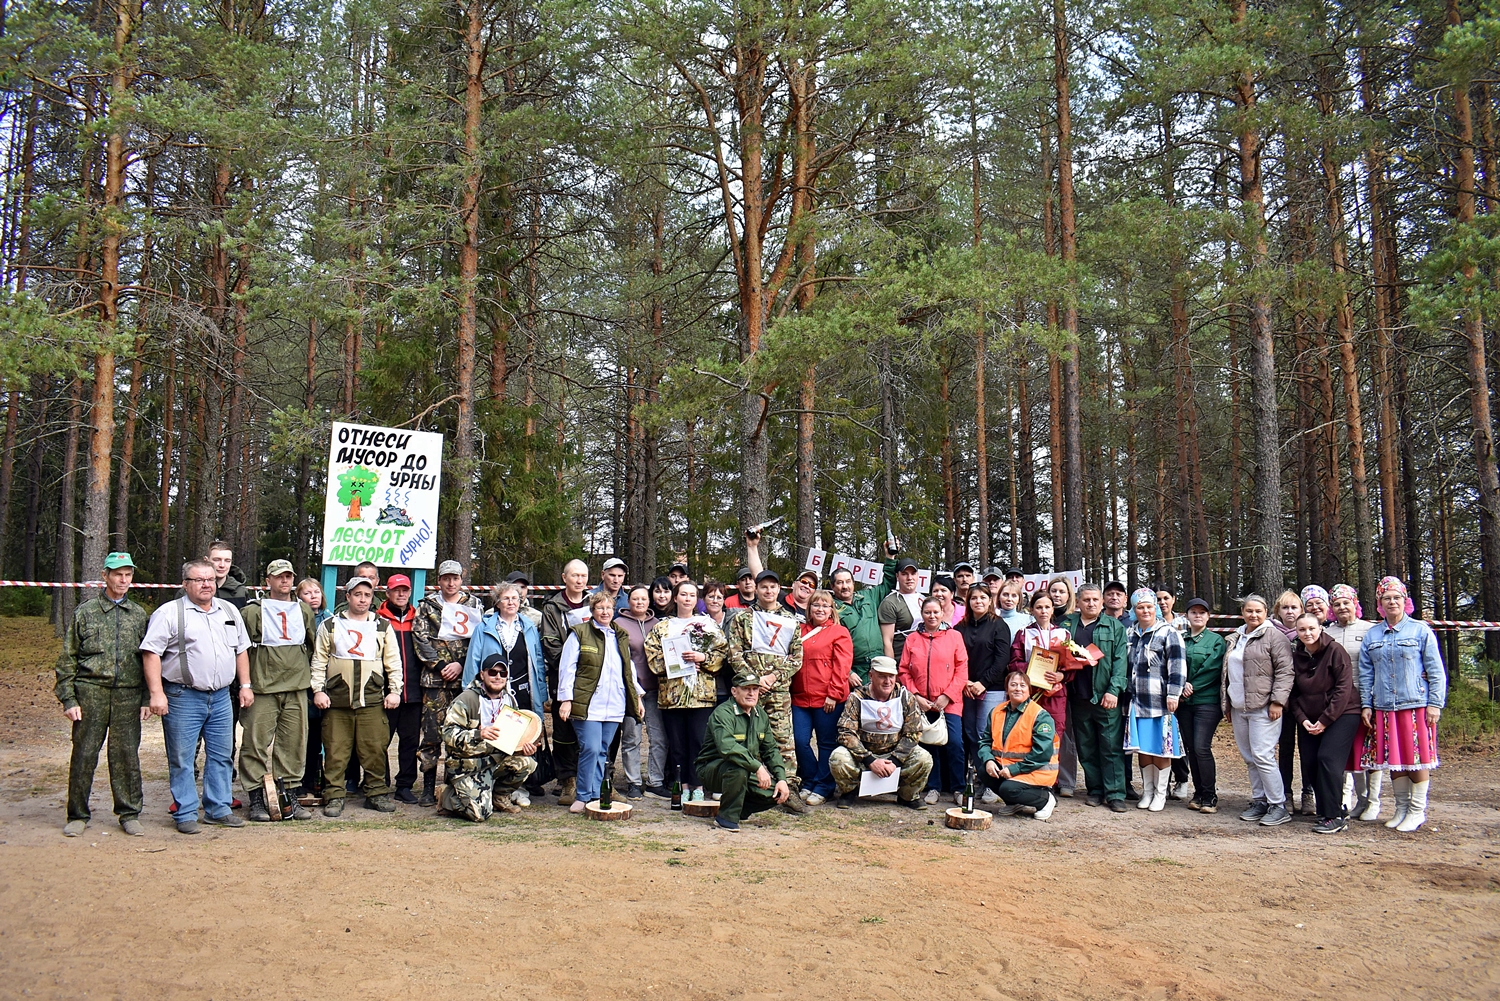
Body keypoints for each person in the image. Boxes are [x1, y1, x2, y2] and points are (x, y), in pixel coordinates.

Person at [140, 559, 253, 834]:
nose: (206, 585)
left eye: (210, 579)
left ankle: (219, 808)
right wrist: (156, 693)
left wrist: (245, 685)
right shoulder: (169, 613)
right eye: (199, 580)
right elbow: (151, 653)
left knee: (222, 755)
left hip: (222, 697)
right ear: (185, 584)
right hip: (183, 696)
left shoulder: (229, 610)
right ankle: (186, 812)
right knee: (182, 757)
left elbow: (241, 649)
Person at [55, 552, 151, 837]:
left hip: (128, 696)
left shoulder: (139, 615)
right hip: (91, 693)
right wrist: (69, 699)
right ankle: (77, 814)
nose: (123, 580)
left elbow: (149, 660)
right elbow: (68, 659)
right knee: (84, 754)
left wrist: (147, 698)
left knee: (126, 756)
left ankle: (129, 813)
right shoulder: (85, 613)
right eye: (118, 574)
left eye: (128, 575)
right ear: (105, 576)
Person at [309, 576, 403, 817]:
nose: (363, 599)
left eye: (367, 595)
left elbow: (393, 662)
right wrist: (318, 690)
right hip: (337, 700)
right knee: (335, 750)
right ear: (348, 596)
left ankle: (376, 793)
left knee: (374, 749)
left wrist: (395, 691)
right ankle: (334, 795)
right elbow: (319, 660)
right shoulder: (330, 625)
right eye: (358, 594)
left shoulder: (382, 626)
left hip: (371, 699)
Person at [1358, 576, 1446, 832]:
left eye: (1397, 597)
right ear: (1380, 603)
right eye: (1386, 598)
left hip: (1415, 704)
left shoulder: (1420, 630)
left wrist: (1435, 703)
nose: (1392, 602)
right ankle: (1401, 808)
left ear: (1405, 601)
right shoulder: (1372, 634)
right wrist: (1367, 705)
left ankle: (1417, 811)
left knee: (1416, 758)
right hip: (1384, 707)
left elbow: (1435, 670)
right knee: (1394, 760)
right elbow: (1366, 674)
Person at [725, 568, 808, 813]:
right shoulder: (743, 618)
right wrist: (754, 680)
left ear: (779, 589)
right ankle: (751, 788)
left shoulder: (791, 620)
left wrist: (773, 677)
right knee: (747, 738)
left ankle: (789, 788)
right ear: (756, 589)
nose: (768, 591)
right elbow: (734, 653)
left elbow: (796, 658)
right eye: (764, 586)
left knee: (783, 740)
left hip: (778, 691)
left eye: (773, 587)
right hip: (750, 692)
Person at [238, 559, 316, 822]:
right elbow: (241, 649)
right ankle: (256, 797)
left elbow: (311, 644)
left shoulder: (303, 610)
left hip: (296, 686)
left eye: (289, 576)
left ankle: (288, 795)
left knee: (293, 743)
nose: (284, 580)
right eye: (279, 576)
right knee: (255, 743)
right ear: (268, 581)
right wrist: (245, 684)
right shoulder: (252, 612)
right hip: (263, 687)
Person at [461, 581, 550, 806]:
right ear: (497, 603)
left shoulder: (528, 627)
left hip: (522, 690)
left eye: (515, 598)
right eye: (506, 599)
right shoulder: (484, 627)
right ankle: (492, 784)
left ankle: (518, 787)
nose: (511, 602)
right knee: (498, 735)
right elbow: (473, 660)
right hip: (493, 690)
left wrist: (541, 693)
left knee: (522, 737)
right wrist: (470, 691)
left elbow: (538, 662)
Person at [557, 591, 643, 813]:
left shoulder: (620, 635)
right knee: (591, 748)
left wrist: (637, 697)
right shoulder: (579, 633)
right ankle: (583, 795)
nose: (605, 612)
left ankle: (596, 795)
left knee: (603, 750)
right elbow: (567, 668)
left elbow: (629, 669)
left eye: (609, 608)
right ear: (592, 610)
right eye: (600, 608)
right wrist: (566, 699)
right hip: (588, 703)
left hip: (614, 702)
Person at [644, 581, 728, 802]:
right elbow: (653, 658)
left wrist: (704, 658)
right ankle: (681, 785)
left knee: (698, 741)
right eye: (683, 594)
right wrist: (676, 664)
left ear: (696, 599)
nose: (687, 598)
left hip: (701, 696)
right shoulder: (662, 627)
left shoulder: (707, 625)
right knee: (677, 744)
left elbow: (722, 653)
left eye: (692, 595)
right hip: (672, 696)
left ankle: (697, 784)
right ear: (675, 598)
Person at [412, 560, 486, 807]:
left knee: (462, 732)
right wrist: (440, 665)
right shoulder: (427, 606)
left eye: (455, 578)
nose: (451, 583)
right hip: (435, 681)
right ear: (439, 580)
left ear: (461, 579)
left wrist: (462, 665)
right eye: (446, 578)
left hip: (465, 681)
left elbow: (479, 639)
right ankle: (428, 785)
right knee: (432, 734)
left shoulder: (474, 605)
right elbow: (420, 637)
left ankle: (455, 783)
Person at [438, 654, 539, 821]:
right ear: (482, 674)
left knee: (527, 763)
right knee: (479, 814)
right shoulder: (466, 699)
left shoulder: (510, 700)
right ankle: (446, 796)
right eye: (492, 672)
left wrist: (524, 748)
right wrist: (478, 734)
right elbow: (447, 734)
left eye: (503, 673)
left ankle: (499, 796)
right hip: (467, 764)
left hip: (495, 760)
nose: (498, 677)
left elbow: (512, 738)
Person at [1222, 593, 1294, 827]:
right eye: (1249, 611)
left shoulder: (1274, 637)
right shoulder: (1236, 637)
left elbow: (1285, 671)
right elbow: (1228, 673)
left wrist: (1278, 701)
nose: (1253, 615)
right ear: (1242, 612)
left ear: (1266, 613)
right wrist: (1228, 703)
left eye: (1258, 611)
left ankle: (1278, 805)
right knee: (1250, 758)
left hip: (1264, 706)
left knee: (1263, 755)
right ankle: (1260, 800)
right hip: (1239, 706)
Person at [1290, 611, 1362, 834]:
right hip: (1309, 717)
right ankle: (1326, 810)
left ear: (1320, 628)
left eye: (1312, 628)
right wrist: (1303, 719)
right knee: (1310, 761)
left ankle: (1335, 816)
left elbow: (1343, 689)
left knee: (1328, 759)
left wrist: (1324, 720)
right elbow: (1293, 693)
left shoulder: (1335, 651)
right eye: (1302, 629)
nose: (1307, 633)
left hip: (1343, 713)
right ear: (1297, 632)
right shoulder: (1297, 656)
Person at [1059, 584, 1129, 812]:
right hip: (1077, 696)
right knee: (1086, 746)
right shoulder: (1066, 625)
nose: (1091, 604)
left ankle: (1115, 794)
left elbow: (1120, 661)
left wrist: (1114, 690)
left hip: (1104, 696)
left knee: (1110, 746)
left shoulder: (1114, 626)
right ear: (1078, 602)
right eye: (1086, 600)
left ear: (1102, 602)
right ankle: (1095, 790)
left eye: (1095, 600)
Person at [828, 655, 932, 809]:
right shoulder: (857, 698)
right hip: (864, 756)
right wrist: (869, 760)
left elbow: (913, 733)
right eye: (882, 676)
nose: (887, 681)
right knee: (838, 757)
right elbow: (846, 732)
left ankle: (907, 796)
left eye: (891, 676)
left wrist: (894, 761)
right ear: (871, 676)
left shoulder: (906, 697)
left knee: (924, 758)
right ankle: (849, 792)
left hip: (895, 755)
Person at [694, 671, 791, 831]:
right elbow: (728, 748)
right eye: (746, 689)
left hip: (746, 770)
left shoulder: (760, 715)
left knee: (776, 793)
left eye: (755, 689)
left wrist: (781, 778)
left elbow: (770, 750)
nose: (751, 693)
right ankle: (725, 818)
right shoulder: (723, 713)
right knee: (738, 769)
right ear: (734, 691)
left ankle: (736, 810)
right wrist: (758, 768)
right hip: (712, 769)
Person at [898, 596, 968, 805]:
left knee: (955, 743)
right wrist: (916, 696)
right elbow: (903, 670)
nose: (932, 616)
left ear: (942, 613)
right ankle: (933, 787)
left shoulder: (954, 636)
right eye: (927, 612)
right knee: (929, 744)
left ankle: (958, 788)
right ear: (922, 614)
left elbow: (962, 669)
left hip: (949, 701)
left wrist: (948, 695)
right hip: (922, 702)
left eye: (936, 612)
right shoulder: (912, 639)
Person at [1123, 588, 1186, 812]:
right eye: (1140, 607)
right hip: (1137, 701)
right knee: (1144, 749)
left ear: (1156, 608)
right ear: (1134, 610)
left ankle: (1160, 793)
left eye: (1149, 606)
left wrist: (1173, 693)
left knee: (1161, 749)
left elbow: (1177, 665)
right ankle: (1147, 791)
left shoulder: (1168, 632)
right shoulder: (1129, 633)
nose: (1145, 611)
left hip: (1160, 700)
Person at [789, 590, 852, 805]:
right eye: (816, 605)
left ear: (831, 610)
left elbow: (842, 666)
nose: (820, 609)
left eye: (825, 605)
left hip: (827, 698)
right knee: (800, 741)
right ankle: (809, 779)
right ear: (809, 608)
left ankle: (824, 786)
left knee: (826, 743)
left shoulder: (839, 632)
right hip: (800, 697)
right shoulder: (799, 630)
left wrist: (833, 694)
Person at [1325, 583, 1380, 820]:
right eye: (1337, 604)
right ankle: (1356, 799)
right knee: (1350, 753)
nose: (1342, 607)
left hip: (1368, 698)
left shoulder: (1370, 630)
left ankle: (1373, 801)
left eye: (1346, 602)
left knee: (1370, 752)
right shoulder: (1328, 633)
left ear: (1355, 604)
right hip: (1340, 702)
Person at [541, 558, 593, 805]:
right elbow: (550, 643)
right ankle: (566, 780)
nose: (579, 580)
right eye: (575, 575)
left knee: (590, 725)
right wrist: (573, 663)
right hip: (562, 674)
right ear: (564, 578)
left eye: (583, 576)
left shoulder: (594, 602)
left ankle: (590, 778)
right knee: (563, 728)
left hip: (592, 676)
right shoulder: (552, 607)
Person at [978, 671, 1059, 821]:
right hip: (1008, 766)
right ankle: (1014, 803)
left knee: (1008, 789)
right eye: (1013, 685)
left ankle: (1046, 799)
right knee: (984, 771)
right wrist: (988, 760)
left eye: (1022, 685)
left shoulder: (1040, 716)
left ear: (1029, 690)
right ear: (1007, 689)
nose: (1018, 689)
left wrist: (1014, 770)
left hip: (1035, 770)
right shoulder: (996, 712)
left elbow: (1041, 753)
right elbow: (985, 742)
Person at [955, 586, 1011, 803]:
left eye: (983, 597)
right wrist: (966, 682)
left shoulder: (999, 625)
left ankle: (992, 783)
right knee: (970, 734)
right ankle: (979, 779)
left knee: (987, 734)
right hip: (967, 687)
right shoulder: (960, 628)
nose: (978, 601)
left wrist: (983, 683)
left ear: (990, 600)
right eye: (974, 598)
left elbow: (1002, 659)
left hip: (992, 688)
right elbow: (956, 657)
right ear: (968, 602)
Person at [1009, 591, 1072, 773]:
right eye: (1039, 607)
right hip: (1031, 692)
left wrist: (1062, 676)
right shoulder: (1024, 633)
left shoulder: (1063, 633)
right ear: (1032, 610)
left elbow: (1071, 665)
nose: (1043, 611)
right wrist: (1033, 670)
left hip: (1056, 693)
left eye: (1047, 607)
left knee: (1054, 734)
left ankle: (1051, 779)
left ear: (1052, 609)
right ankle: (1029, 777)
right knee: (1030, 732)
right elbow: (1014, 662)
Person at [1175, 597, 1226, 813]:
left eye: (1202, 612)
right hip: (1184, 703)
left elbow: (1212, 668)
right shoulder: (1179, 639)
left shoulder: (1216, 641)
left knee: (1201, 747)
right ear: (1186, 616)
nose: (1198, 616)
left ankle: (1209, 795)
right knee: (1190, 748)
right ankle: (1198, 792)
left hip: (1207, 701)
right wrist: (1180, 685)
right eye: (1193, 612)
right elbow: (1172, 664)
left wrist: (1192, 686)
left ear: (1208, 616)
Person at [376, 574, 421, 803]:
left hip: (414, 692)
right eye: (396, 590)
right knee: (380, 741)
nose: (401, 594)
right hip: (386, 692)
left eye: (405, 590)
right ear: (388, 593)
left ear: (410, 592)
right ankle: (379, 783)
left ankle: (404, 785)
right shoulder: (377, 620)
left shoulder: (420, 619)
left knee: (410, 742)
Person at [830, 540, 899, 685]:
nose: (845, 586)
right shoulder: (830, 609)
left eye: (848, 581)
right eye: (840, 583)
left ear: (853, 583)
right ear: (832, 586)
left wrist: (890, 558)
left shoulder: (869, 596)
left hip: (879, 664)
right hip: (856, 670)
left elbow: (888, 583)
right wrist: (848, 672)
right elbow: (830, 646)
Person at [614, 584, 660, 798]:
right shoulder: (619, 624)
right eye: (635, 598)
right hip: (630, 691)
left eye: (643, 598)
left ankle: (655, 780)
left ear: (649, 601)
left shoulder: (658, 624)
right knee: (632, 738)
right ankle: (633, 782)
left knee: (658, 738)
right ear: (628, 601)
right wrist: (633, 690)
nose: (639, 602)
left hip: (656, 690)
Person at [1269, 588, 1312, 813]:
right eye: (1285, 607)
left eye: (1294, 607)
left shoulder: (1309, 633)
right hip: (1282, 701)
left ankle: (1308, 793)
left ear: (1301, 610)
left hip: (1306, 701)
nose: (1290, 612)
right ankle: (1285, 793)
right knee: (1285, 747)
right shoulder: (1271, 633)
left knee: (1307, 748)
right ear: (1278, 611)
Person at [295, 577, 332, 797]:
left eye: (316, 592)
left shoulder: (330, 619)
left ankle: (319, 778)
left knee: (322, 736)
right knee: (304, 736)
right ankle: (302, 780)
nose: (313, 596)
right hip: (302, 683)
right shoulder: (295, 618)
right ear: (299, 597)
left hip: (326, 685)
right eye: (307, 593)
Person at [877, 558, 925, 662]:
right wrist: (891, 668)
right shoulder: (890, 603)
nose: (909, 578)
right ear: (897, 576)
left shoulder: (924, 599)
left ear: (918, 576)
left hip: (923, 659)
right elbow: (887, 641)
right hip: (902, 660)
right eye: (904, 574)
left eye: (913, 574)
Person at [206, 540, 250, 608]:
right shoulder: (194, 589)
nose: (222, 565)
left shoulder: (241, 592)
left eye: (227, 561)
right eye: (217, 560)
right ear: (206, 560)